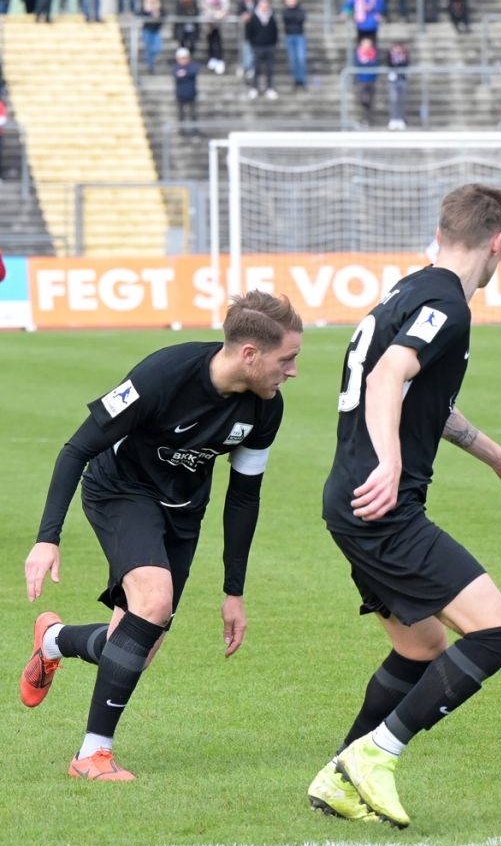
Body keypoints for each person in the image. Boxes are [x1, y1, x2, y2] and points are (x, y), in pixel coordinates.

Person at [307, 186, 501, 828]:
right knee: (496, 632)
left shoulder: (410, 290)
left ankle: (338, 773)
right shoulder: (447, 303)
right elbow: (388, 378)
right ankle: (374, 757)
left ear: (441, 233)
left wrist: (497, 457)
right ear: (498, 242)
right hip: (379, 504)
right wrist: (389, 461)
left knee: (422, 645)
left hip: (350, 500)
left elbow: (422, 400)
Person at [21, 293, 302, 781]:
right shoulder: (161, 376)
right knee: (153, 601)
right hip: (120, 492)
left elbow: (243, 498)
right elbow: (77, 449)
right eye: (288, 359)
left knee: (134, 648)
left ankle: (54, 641)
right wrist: (48, 538)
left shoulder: (265, 410)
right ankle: (92, 755)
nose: (293, 371)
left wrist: (233, 591)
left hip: (182, 514)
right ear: (250, 354)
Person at [243, 0, 278, 99]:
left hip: (269, 46)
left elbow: (275, 31)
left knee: (269, 69)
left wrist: (273, 43)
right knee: (256, 68)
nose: (264, 6)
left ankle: (270, 88)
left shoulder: (271, 17)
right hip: (257, 46)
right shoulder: (253, 17)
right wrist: (253, 43)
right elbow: (249, 32)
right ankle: (254, 88)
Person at [281, 0, 308, 89]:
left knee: (301, 58)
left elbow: (301, 19)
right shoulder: (285, 10)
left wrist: (293, 18)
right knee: (293, 60)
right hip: (289, 36)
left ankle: (302, 80)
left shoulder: (300, 9)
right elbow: (287, 19)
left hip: (299, 36)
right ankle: (296, 80)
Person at [171, 46, 197, 123]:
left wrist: (184, 73)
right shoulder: (176, 67)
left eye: (184, 58)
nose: (183, 60)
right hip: (180, 94)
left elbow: (192, 72)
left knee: (193, 114)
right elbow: (175, 74)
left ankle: (195, 130)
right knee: (181, 115)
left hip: (191, 93)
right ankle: (182, 132)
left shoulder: (192, 66)